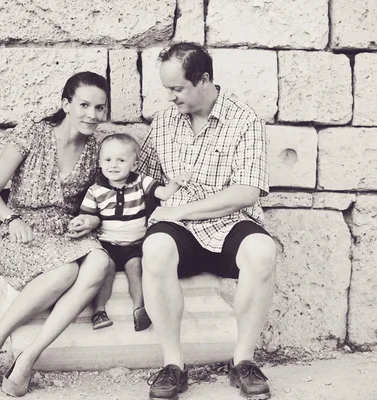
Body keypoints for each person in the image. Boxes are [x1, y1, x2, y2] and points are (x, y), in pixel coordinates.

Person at [138, 42, 277, 400]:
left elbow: (246, 192)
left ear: (203, 80)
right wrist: (156, 199)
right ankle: (173, 365)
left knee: (262, 251)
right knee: (154, 248)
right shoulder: (164, 121)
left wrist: (182, 209)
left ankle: (243, 361)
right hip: (178, 227)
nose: (169, 97)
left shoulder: (244, 119)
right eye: (166, 88)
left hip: (228, 221)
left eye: (177, 88)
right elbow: (145, 178)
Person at [0, 71, 111, 397]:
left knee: (99, 262)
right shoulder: (32, 134)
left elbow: (101, 201)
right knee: (65, 271)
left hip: (66, 233)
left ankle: (29, 356)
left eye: (100, 108)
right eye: (84, 105)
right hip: (23, 233)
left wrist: (90, 221)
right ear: (66, 104)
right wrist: (12, 219)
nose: (92, 115)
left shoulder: (97, 149)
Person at [70, 133, 190, 331]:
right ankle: (99, 311)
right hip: (107, 245)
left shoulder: (140, 182)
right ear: (100, 162)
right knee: (105, 272)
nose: (113, 165)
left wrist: (175, 183)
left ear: (133, 165)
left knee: (136, 270)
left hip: (135, 245)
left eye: (121, 160)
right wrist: (82, 222)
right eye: (108, 160)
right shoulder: (95, 190)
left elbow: (163, 194)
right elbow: (90, 217)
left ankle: (140, 309)